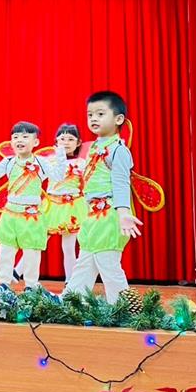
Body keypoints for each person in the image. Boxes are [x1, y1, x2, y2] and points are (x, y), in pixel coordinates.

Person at [63, 91, 142, 303]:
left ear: (118, 119)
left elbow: (121, 183)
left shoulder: (118, 150)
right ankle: (71, 302)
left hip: (109, 215)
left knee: (108, 264)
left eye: (100, 114)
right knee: (85, 261)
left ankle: (122, 308)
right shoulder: (94, 147)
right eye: (90, 115)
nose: (93, 119)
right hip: (93, 216)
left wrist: (123, 213)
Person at [0, 122, 61, 292]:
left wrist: (60, 154)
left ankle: (30, 286)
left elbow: (58, 176)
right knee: (6, 250)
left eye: (25, 137)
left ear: (35, 142)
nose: (19, 140)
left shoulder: (41, 162)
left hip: (31, 215)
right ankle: (4, 284)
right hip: (10, 214)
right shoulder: (9, 162)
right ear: (11, 142)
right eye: (15, 137)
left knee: (32, 252)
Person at [32, 123, 85, 282]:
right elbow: (36, 179)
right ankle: (17, 272)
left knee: (69, 247)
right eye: (62, 139)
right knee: (37, 240)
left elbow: (87, 184)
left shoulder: (82, 163)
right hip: (51, 206)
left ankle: (70, 282)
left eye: (70, 139)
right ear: (56, 141)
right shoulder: (49, 161)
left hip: (72, 207)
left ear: (78, 143)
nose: (66, 142)